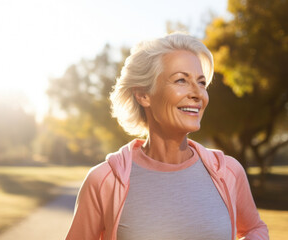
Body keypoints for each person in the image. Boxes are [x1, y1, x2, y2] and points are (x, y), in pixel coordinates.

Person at [66, 32, 269, 240]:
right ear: (143, 94)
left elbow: (255, 228)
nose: (198, 93)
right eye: (181, 80)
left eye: (201, 83)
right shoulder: (104, 181)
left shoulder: (228, 172)